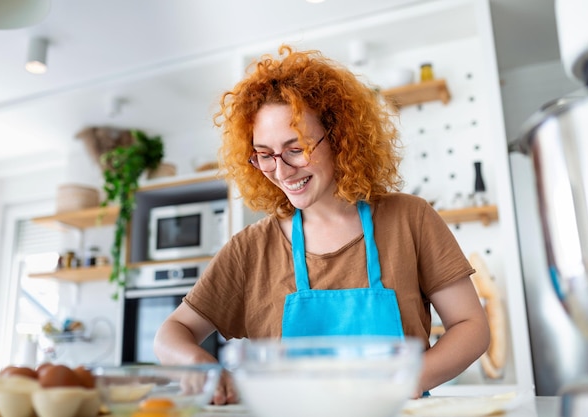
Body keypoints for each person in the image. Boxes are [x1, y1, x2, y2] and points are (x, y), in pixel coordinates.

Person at [153, 45, 490, 405]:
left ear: (340, 137)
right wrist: (200, 365)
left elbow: (471, 328)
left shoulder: (410, 219)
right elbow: (171, 334)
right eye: (265, 155)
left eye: (296, 149)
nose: (280, 172)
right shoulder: (250, 249)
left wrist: (400, 383)